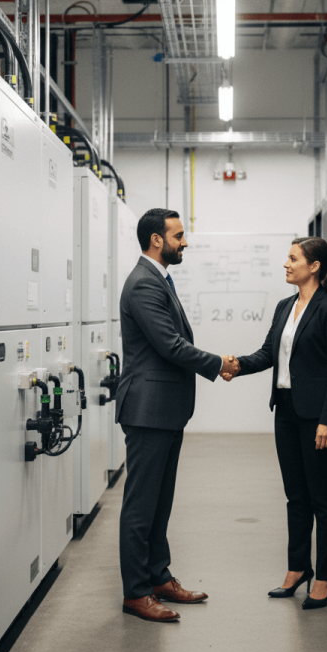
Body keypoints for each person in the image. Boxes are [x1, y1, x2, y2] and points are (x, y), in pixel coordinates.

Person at [116, 208, 239, 623]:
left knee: (159, 503)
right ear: (156, 239)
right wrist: (218, 362)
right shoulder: (143, 285)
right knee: (140, 507)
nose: (184, 242)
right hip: (149, 410)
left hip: (164, 410)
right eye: (178, 236)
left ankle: (158, 576)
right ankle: (136, 593)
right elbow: (170, 345)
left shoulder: (157, 279)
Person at [223, 237, 327, 609]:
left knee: (321, 498)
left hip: (318, 418)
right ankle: (298, 568)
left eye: (293, 259)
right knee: (296, 495)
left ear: (314, 267)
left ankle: (325, 576)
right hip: (287, 410)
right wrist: (235, 366)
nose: (286, 264)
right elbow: (268, 354)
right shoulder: (284, 307)